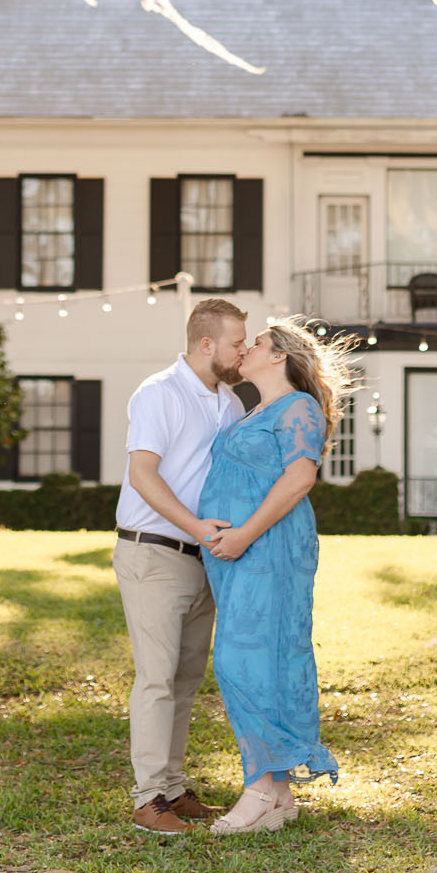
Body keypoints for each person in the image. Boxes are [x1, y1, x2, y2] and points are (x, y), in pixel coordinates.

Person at [199, 316, 354, 834]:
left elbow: (300, 477)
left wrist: (243, 534)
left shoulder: (298, 408)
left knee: (244, 662)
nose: (244, 349)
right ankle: (280, 796)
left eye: (256, 343)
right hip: (237, 553)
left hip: (271, 548)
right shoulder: (254, 411)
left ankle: (263, 787)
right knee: (252, 660)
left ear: (279, 356)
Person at [113, 297, 248, 835]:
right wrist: (197, 528)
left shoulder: (230, 403)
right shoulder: (159, 393)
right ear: (207, 343)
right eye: (238, 342)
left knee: (187, 678)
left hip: (204, 560)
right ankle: (148, 799)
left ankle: (170, 787)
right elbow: (143, 474)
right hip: (154, 552)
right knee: (156, 678)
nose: (244, 351)